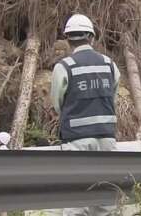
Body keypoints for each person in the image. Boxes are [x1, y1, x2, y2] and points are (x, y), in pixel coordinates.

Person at [50, 14, 121, 216]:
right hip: (106, 137)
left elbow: (58, 103)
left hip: (76, 139)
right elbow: (112, 97)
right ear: (91, 36)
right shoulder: (109, 64)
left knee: (76, 197)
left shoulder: (64, 67)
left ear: (68, 38)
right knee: (105, 200)